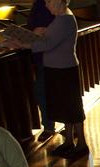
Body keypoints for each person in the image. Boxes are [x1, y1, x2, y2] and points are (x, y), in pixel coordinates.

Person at [4, 0, 88, 159]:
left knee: (73, 108)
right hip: (57, 68)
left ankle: (82, 145)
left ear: (59, 1)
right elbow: (50, 37)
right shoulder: (60, 17)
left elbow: (48, 45)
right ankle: (69, 142)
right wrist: (41, 32)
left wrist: (22, 44)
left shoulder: (65, 19)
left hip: (65, 69)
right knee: (65, 108)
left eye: (49, 1)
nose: (46, 5)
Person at [27, 0, 56, 142]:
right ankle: (53, 125)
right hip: (42, 55)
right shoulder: (39, 3)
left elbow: (44, 29)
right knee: (43, 91)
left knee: (44, 91)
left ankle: (52, 126)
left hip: (49, 55)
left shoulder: (46, 4)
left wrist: (24, 41)